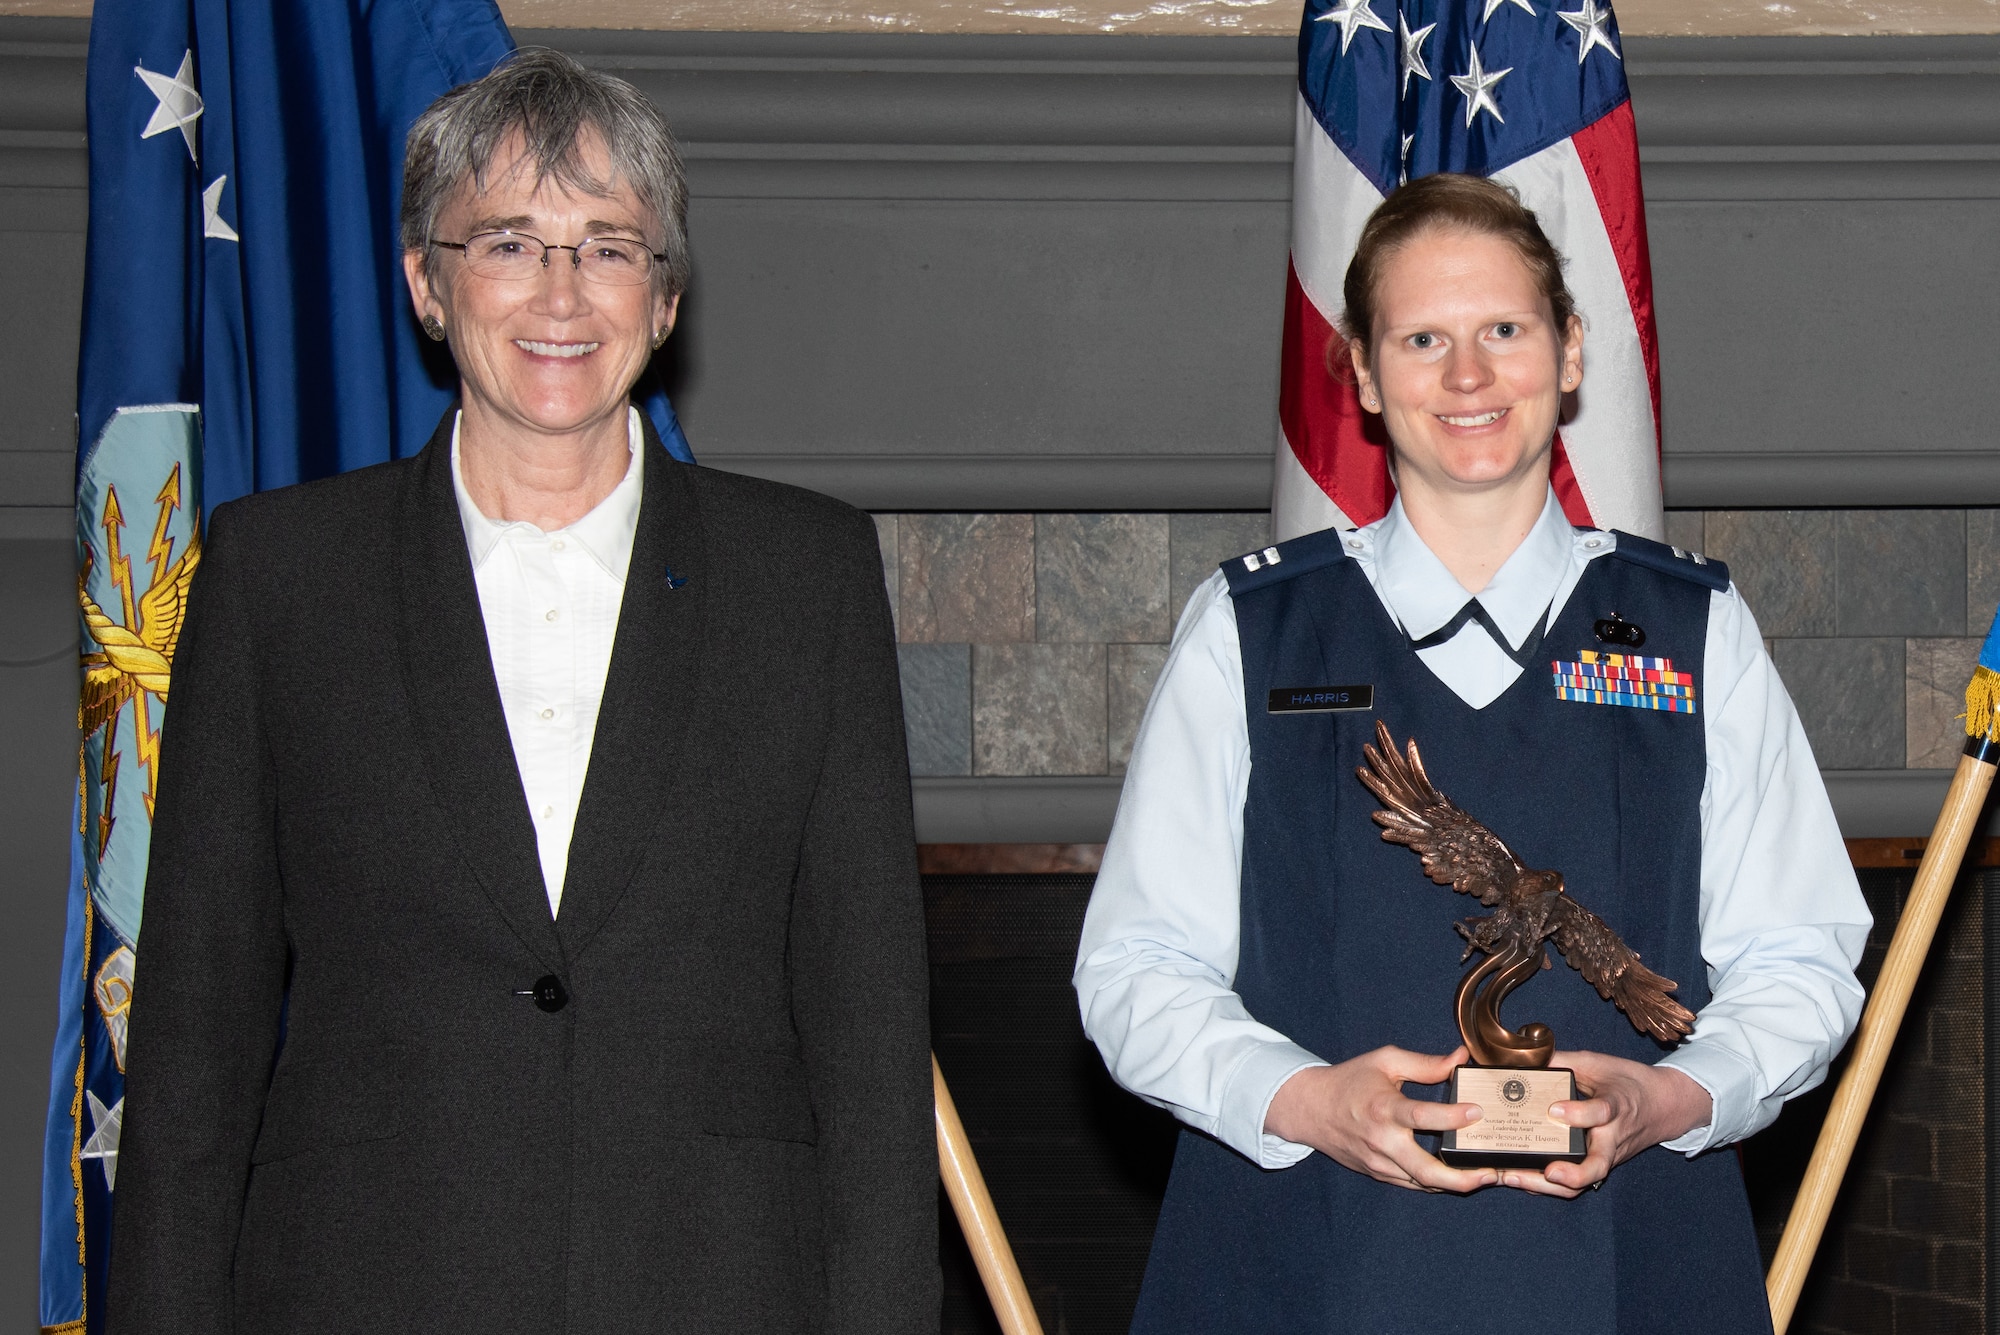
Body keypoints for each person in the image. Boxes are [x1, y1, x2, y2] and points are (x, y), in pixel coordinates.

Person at [108, 49, 936, 1334]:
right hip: (362, 1287)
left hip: (719, 1288)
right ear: (426, 286)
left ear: (664, 301)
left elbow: (871, 1041)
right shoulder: (279, 576)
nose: (562, 293)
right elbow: (192, 1049)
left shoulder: (806, 577)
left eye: (609, 246)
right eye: (508, 241)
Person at [1074, 174, 1871, 1333]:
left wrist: (1675, 1094)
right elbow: (1134, 968)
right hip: (1304, 1266)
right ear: (1357, 370)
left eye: (1503, 329)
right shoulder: (1249, 632)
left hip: (1626, 1264)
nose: (1466, 376)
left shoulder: (1693, 631)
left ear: (1569, 350)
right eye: (1420, 338)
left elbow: (1800, 959)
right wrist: (1299, 1099)